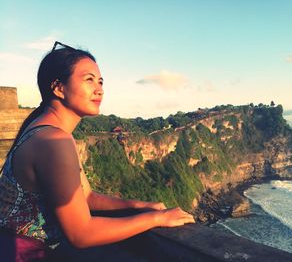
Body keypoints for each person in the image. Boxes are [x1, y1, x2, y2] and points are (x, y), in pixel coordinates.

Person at [0, 42, 195, 261]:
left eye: (100, 81)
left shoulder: (43, 129)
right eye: (89, 79)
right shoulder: (54, 141)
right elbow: (80, 234)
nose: (99, 89)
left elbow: (86, 197)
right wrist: (157, 219)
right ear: (58, 88)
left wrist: (140, 206)